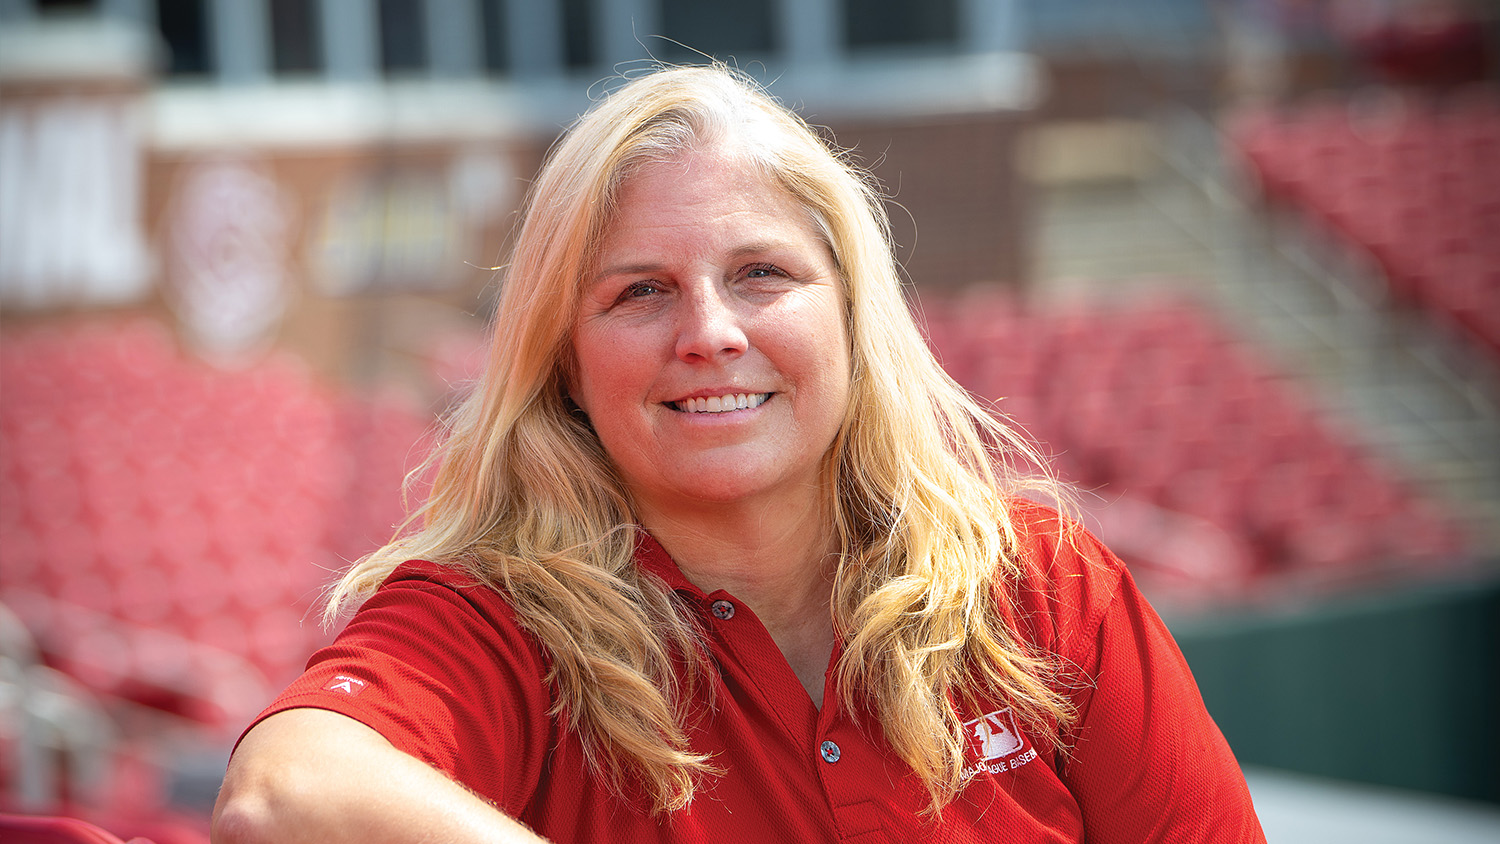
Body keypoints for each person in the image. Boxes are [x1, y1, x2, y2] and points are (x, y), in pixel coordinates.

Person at [211, 64, 1265, 843]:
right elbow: (280, 798)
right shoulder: (492, 622)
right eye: (640, 290)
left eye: (762, 273)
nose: (710, 331)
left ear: (853, 319)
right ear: (565, 362)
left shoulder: (1042, 588)